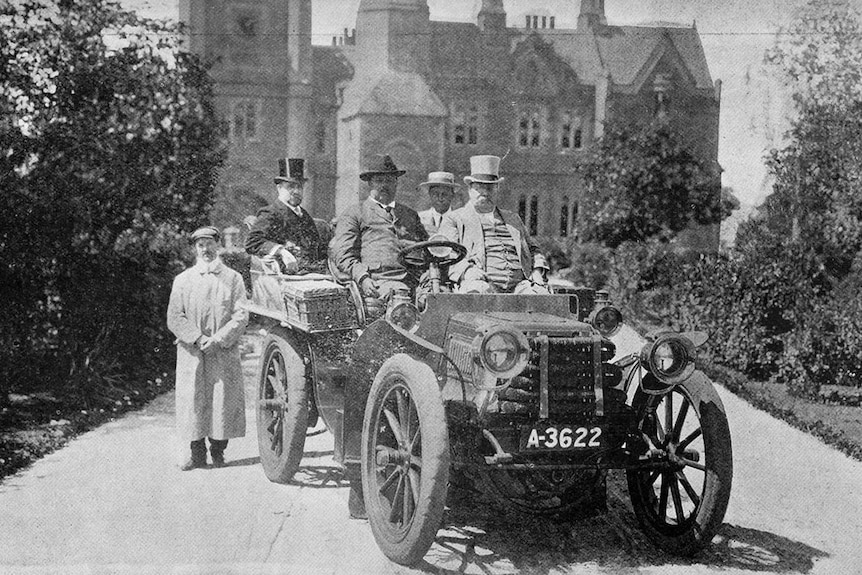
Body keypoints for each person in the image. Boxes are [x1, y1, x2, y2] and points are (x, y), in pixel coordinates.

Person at [167, 226, 249, 470]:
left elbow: (241, 314)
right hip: (192, 351)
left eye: (210, 244)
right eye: (200, 245)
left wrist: (219, 339)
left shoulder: (233, 279)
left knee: (221, 400)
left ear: (218, 245)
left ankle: (218, 450)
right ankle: (197, 454)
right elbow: (175, 316)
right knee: (193, 400)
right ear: (195, 249)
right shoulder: (183, 280)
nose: (206, 249)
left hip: (222, 350)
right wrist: (197, 338)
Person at [439, 155, 550, 294]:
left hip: (521, 286)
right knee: (476, 295)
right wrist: (466, 271)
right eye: (479, 187)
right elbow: (447, 252)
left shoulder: (513, 219)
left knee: (542, 298)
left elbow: (534, 249)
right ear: (470, 190)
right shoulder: (455, 218)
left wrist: (538, 271)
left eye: (490, 188)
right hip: (479, 282)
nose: (485, 192)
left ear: (497, 189)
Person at [330, 154, 428, 302]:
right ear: (370, 184)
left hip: (416, 281)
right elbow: (343, 255)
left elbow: (428, 248)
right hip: (380, 281)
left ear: (396, 183)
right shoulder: (355, 213)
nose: (384, 185)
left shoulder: (410, 215)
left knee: (444, 298)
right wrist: (362, 278)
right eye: (379, 181)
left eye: (389, 181)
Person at [245, 158, 326, 273]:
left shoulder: (304, 215)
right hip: (286, 275)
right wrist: (282, 251)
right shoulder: (270, 213)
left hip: (312, 272)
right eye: (291, 187)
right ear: (279, 188)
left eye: (299, 186)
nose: (296, 191)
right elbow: (252, 242)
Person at [417, 171, 459, 235]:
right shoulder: (419, 218)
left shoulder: (460, 219)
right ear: (430, 194)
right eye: (435, 194)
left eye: (445, 194)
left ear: (452, 195)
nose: (440, 198)